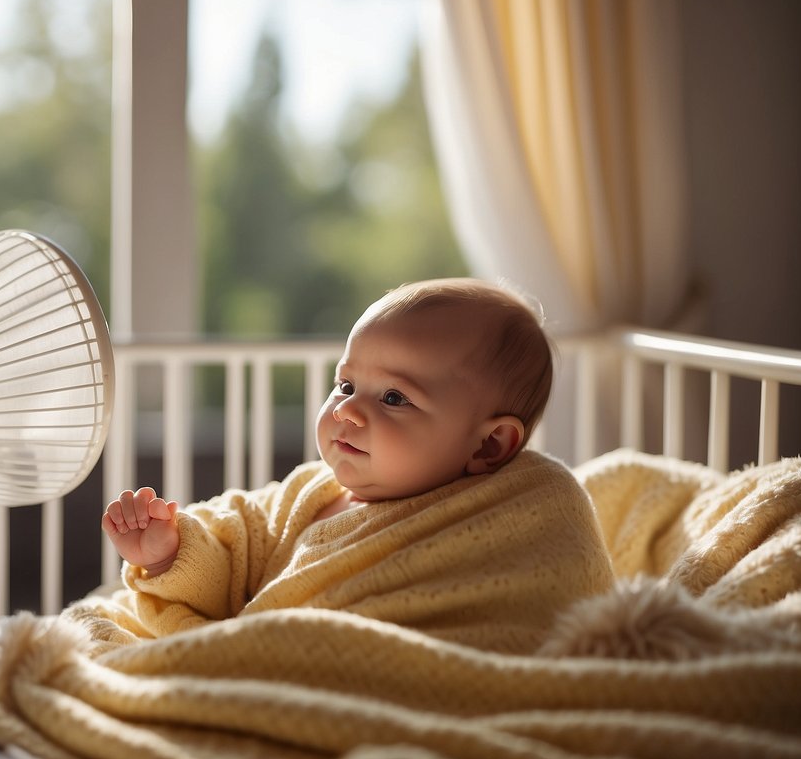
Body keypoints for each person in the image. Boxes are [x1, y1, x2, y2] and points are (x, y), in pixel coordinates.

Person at [89, 277, 613, 653]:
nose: (346, 411)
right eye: (345, 385)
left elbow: (523, 619)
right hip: (260, 665)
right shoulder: (307, 494)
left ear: (489, 446)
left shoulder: (517, 509)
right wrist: (170, 554)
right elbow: (236, 546)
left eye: (393, 398)